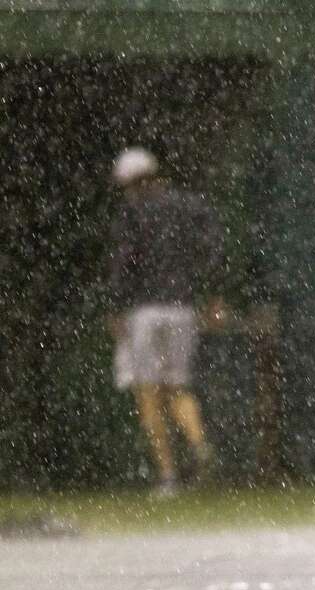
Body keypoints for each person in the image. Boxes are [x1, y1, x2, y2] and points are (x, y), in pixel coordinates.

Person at [108, 147, 223, 499]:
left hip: (144, 312)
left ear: (129, 183)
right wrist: (214, 295)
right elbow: (213, 248)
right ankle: (198, 441)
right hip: (182, 310)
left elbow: (122, 263)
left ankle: (168, 477)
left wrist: (114, 306)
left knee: (148, 395)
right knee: (178, 387)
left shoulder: (132, 212)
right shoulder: (188, 208)